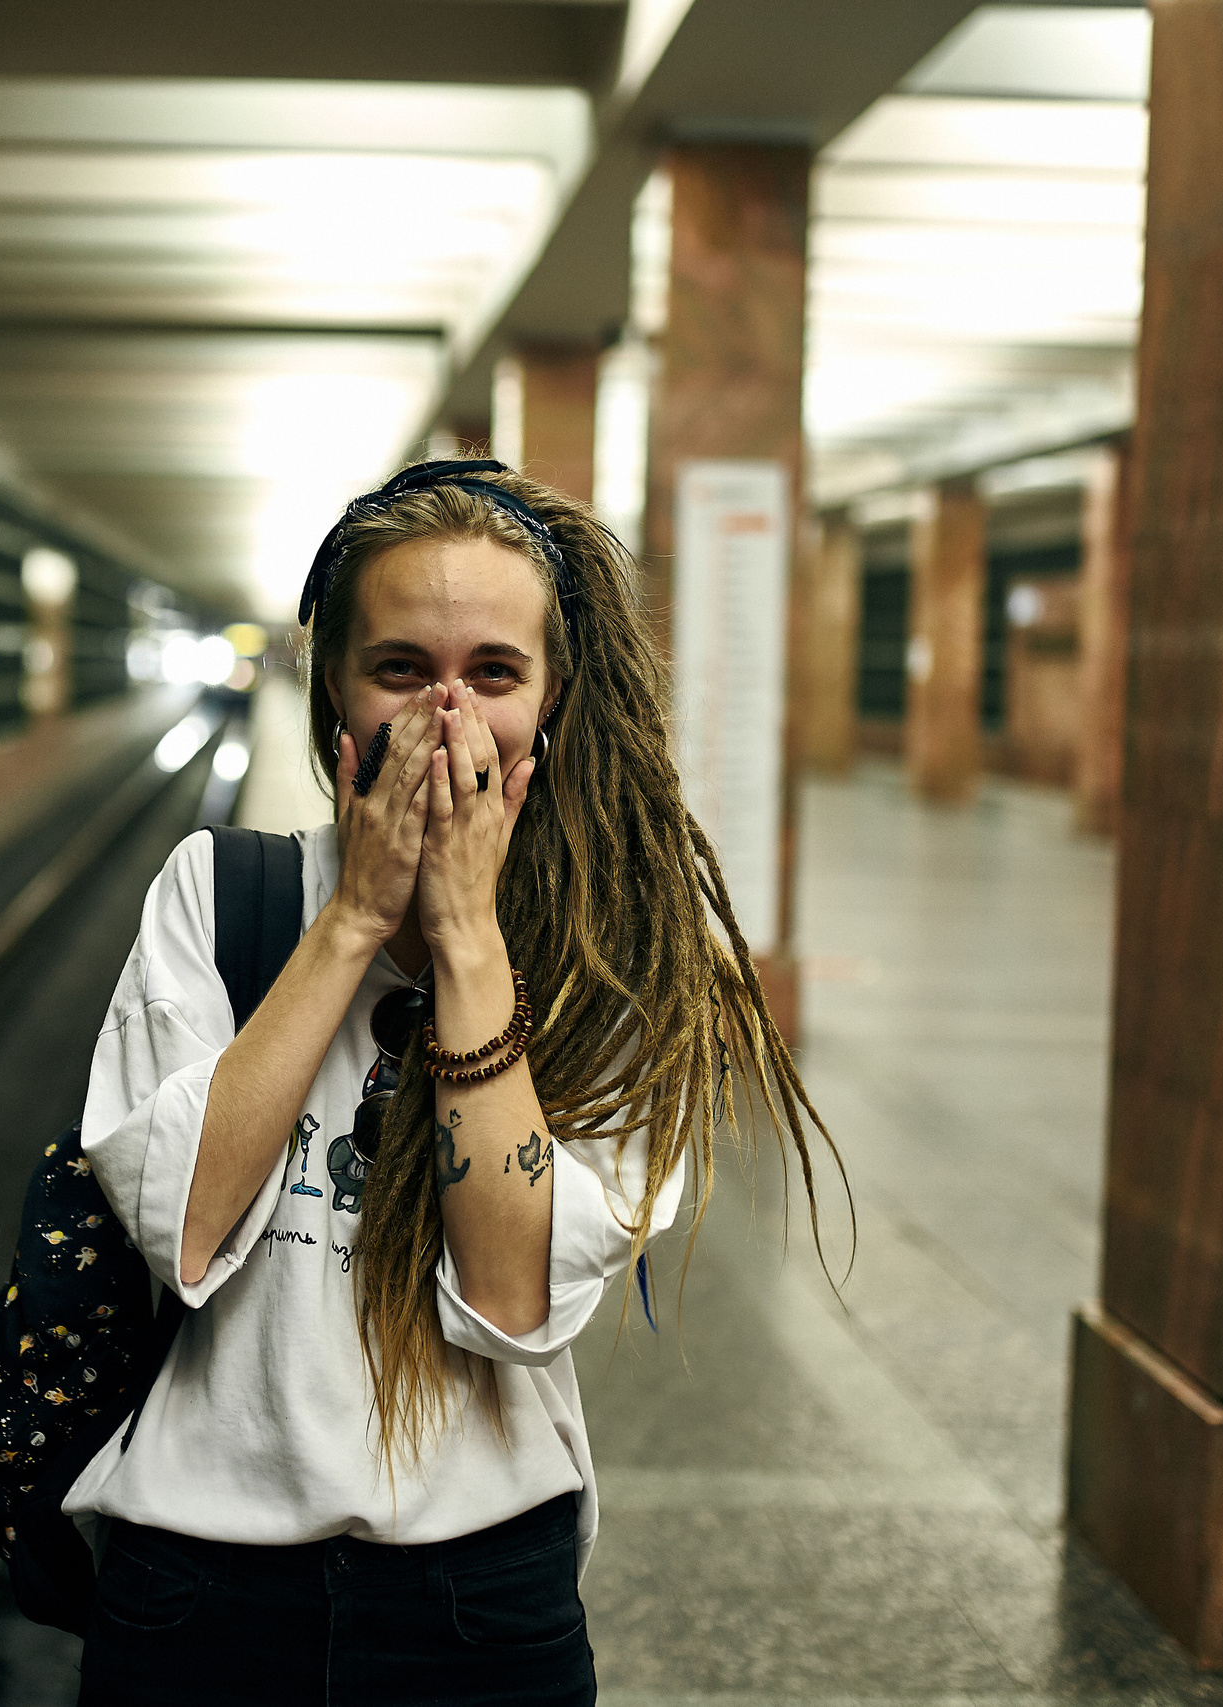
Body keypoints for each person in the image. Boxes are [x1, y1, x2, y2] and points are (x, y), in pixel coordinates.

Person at [67, 460, 833, 1706]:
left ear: (554, 704)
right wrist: (356, 920)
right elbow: (186, 1228)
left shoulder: (615, 971)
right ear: (334, 696)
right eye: (400, 670)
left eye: (493, 673)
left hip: (477, 1607)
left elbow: (505, 1295)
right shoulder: (220, 897)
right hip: (200, 1588)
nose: (447, 716)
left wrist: (469, 939)